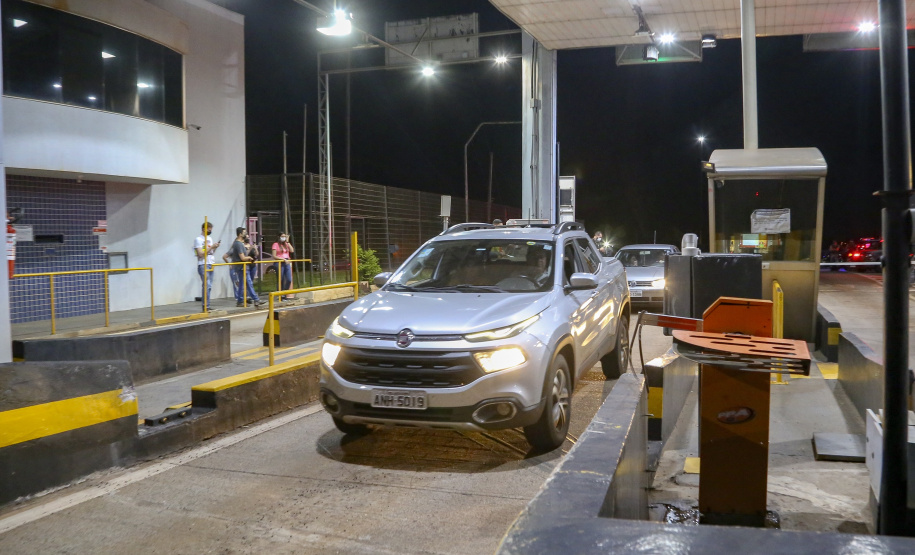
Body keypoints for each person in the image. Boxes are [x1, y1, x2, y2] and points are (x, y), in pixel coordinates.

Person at [224, 227, 262, 307]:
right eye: (244, 233)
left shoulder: (239, 244)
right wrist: (249, 258)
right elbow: (242, 257)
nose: (246, 234)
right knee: (248, 283)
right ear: (240, 234)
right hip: (242, 267)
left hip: (243, 267)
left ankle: (240, 301)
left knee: (242, 284)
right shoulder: (238, 244)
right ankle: (256, 299)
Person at [194, 222, 221, 310]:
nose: (210, 231)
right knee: (207, 285)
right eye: (209, 230)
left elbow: (211, 252)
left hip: (210, 263)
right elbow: (200, 253)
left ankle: (207, 305)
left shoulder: (209, 238)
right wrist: (211, 247)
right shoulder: (198, 239)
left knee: (209, 286)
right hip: (203, 264)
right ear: (204, 229)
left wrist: (214, 247)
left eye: (210, 230)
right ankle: (205, 306)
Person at [271, 232, 295, 300]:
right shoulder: (275, 244)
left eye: (284, 236)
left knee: (289, 279)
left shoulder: (286, 244)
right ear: (279, 237)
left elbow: (292, 250)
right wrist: (283, 259)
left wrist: (288, 242)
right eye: (282, 236)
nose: (283, 238)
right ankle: (280, 295)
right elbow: (274, 256)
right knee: (280, 279)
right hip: (279, 262)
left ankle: (284, 292)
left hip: (286, 262)